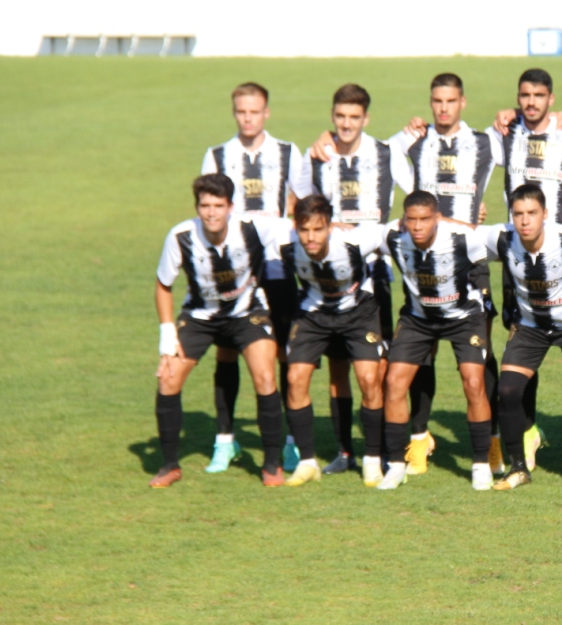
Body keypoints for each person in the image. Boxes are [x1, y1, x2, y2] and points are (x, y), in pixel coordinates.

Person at [388, 74, 504, 477]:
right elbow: (379, 156)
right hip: (425, 260)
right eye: (436, 101)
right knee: (422, 353)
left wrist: (517, 116)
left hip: (470, 261)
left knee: (480, 355)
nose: (442, 108)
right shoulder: (416, 142)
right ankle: (419, 440)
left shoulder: (486, 141)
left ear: (463, 102)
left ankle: (490, 441)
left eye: (450, 101)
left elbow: (527, 149)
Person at [149, 174, 287, 488]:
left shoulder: (253, 228)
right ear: (197, 207)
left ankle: (271, 464)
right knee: (168, 378)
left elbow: (297, 226)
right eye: (205, 205)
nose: (211, 213)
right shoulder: (180, 236)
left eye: (218, 206)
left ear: (231, 207)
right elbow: (163, 285)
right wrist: (167, 336)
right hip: (199, 317)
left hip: (247, 312)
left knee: (265, 376)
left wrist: (336, 227)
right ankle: (169, 466)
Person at [200, 82, 307, 475]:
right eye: (241, 112)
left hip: (277, 266)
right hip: (233, 270)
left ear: (267, 112)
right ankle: (225, 440)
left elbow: (303, 202)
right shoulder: (216, 156)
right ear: (235, 113)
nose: (248, 118)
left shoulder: (287, 152)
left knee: (281, 350)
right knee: (227, 350)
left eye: (255, 111)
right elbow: (207, 214)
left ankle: (290, 443)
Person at [300, 83, 406, 476]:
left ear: (366, 119)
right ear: (333, 116)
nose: (346, 124)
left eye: (354, 117)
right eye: (340, 117)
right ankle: (345, 452)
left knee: (375, 367)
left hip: (373, 271)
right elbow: (298, 207)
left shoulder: (384, 153)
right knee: (338, 367)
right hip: (326, 275)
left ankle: (377, 451)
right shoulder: (317, 157)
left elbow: (416, 196)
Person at [482, 185, 562, 491]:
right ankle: (517, 469)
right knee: (509, 392)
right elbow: (458, 234)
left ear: (545, 215)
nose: (525, 221)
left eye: (532, 213)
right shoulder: (502, 237)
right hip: (529, 329)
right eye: (518, 214)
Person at [490, 68, 562, 471]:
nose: (531, 102)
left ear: (551, 98)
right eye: (524, 95)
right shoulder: (504, 133)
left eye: (538, 95)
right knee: (522, 344)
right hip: (518, 258)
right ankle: (528, 432)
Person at [375, 191, 494, 491]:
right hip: (418, 320)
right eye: (411, 220)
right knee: (394, 383)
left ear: (437, 218)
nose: (417, 226)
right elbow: (352, 235)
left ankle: (481, 463)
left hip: (464, 318)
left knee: (473, 382)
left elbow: (499, 248)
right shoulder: (392, 236)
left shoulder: (465, 238)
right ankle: (396, 465)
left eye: (425, 219)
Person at [279, 195, 387, 487]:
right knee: (295, 377)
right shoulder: (282, 239)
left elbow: (394, 230)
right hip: (314, 313)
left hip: (358, 311)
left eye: (318, 229)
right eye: (305, 230)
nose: (311, 238)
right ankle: (307, 462)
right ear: (295, 227)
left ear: (329, 226)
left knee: (368, 378)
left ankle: (373, 461)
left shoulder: (353, 240)